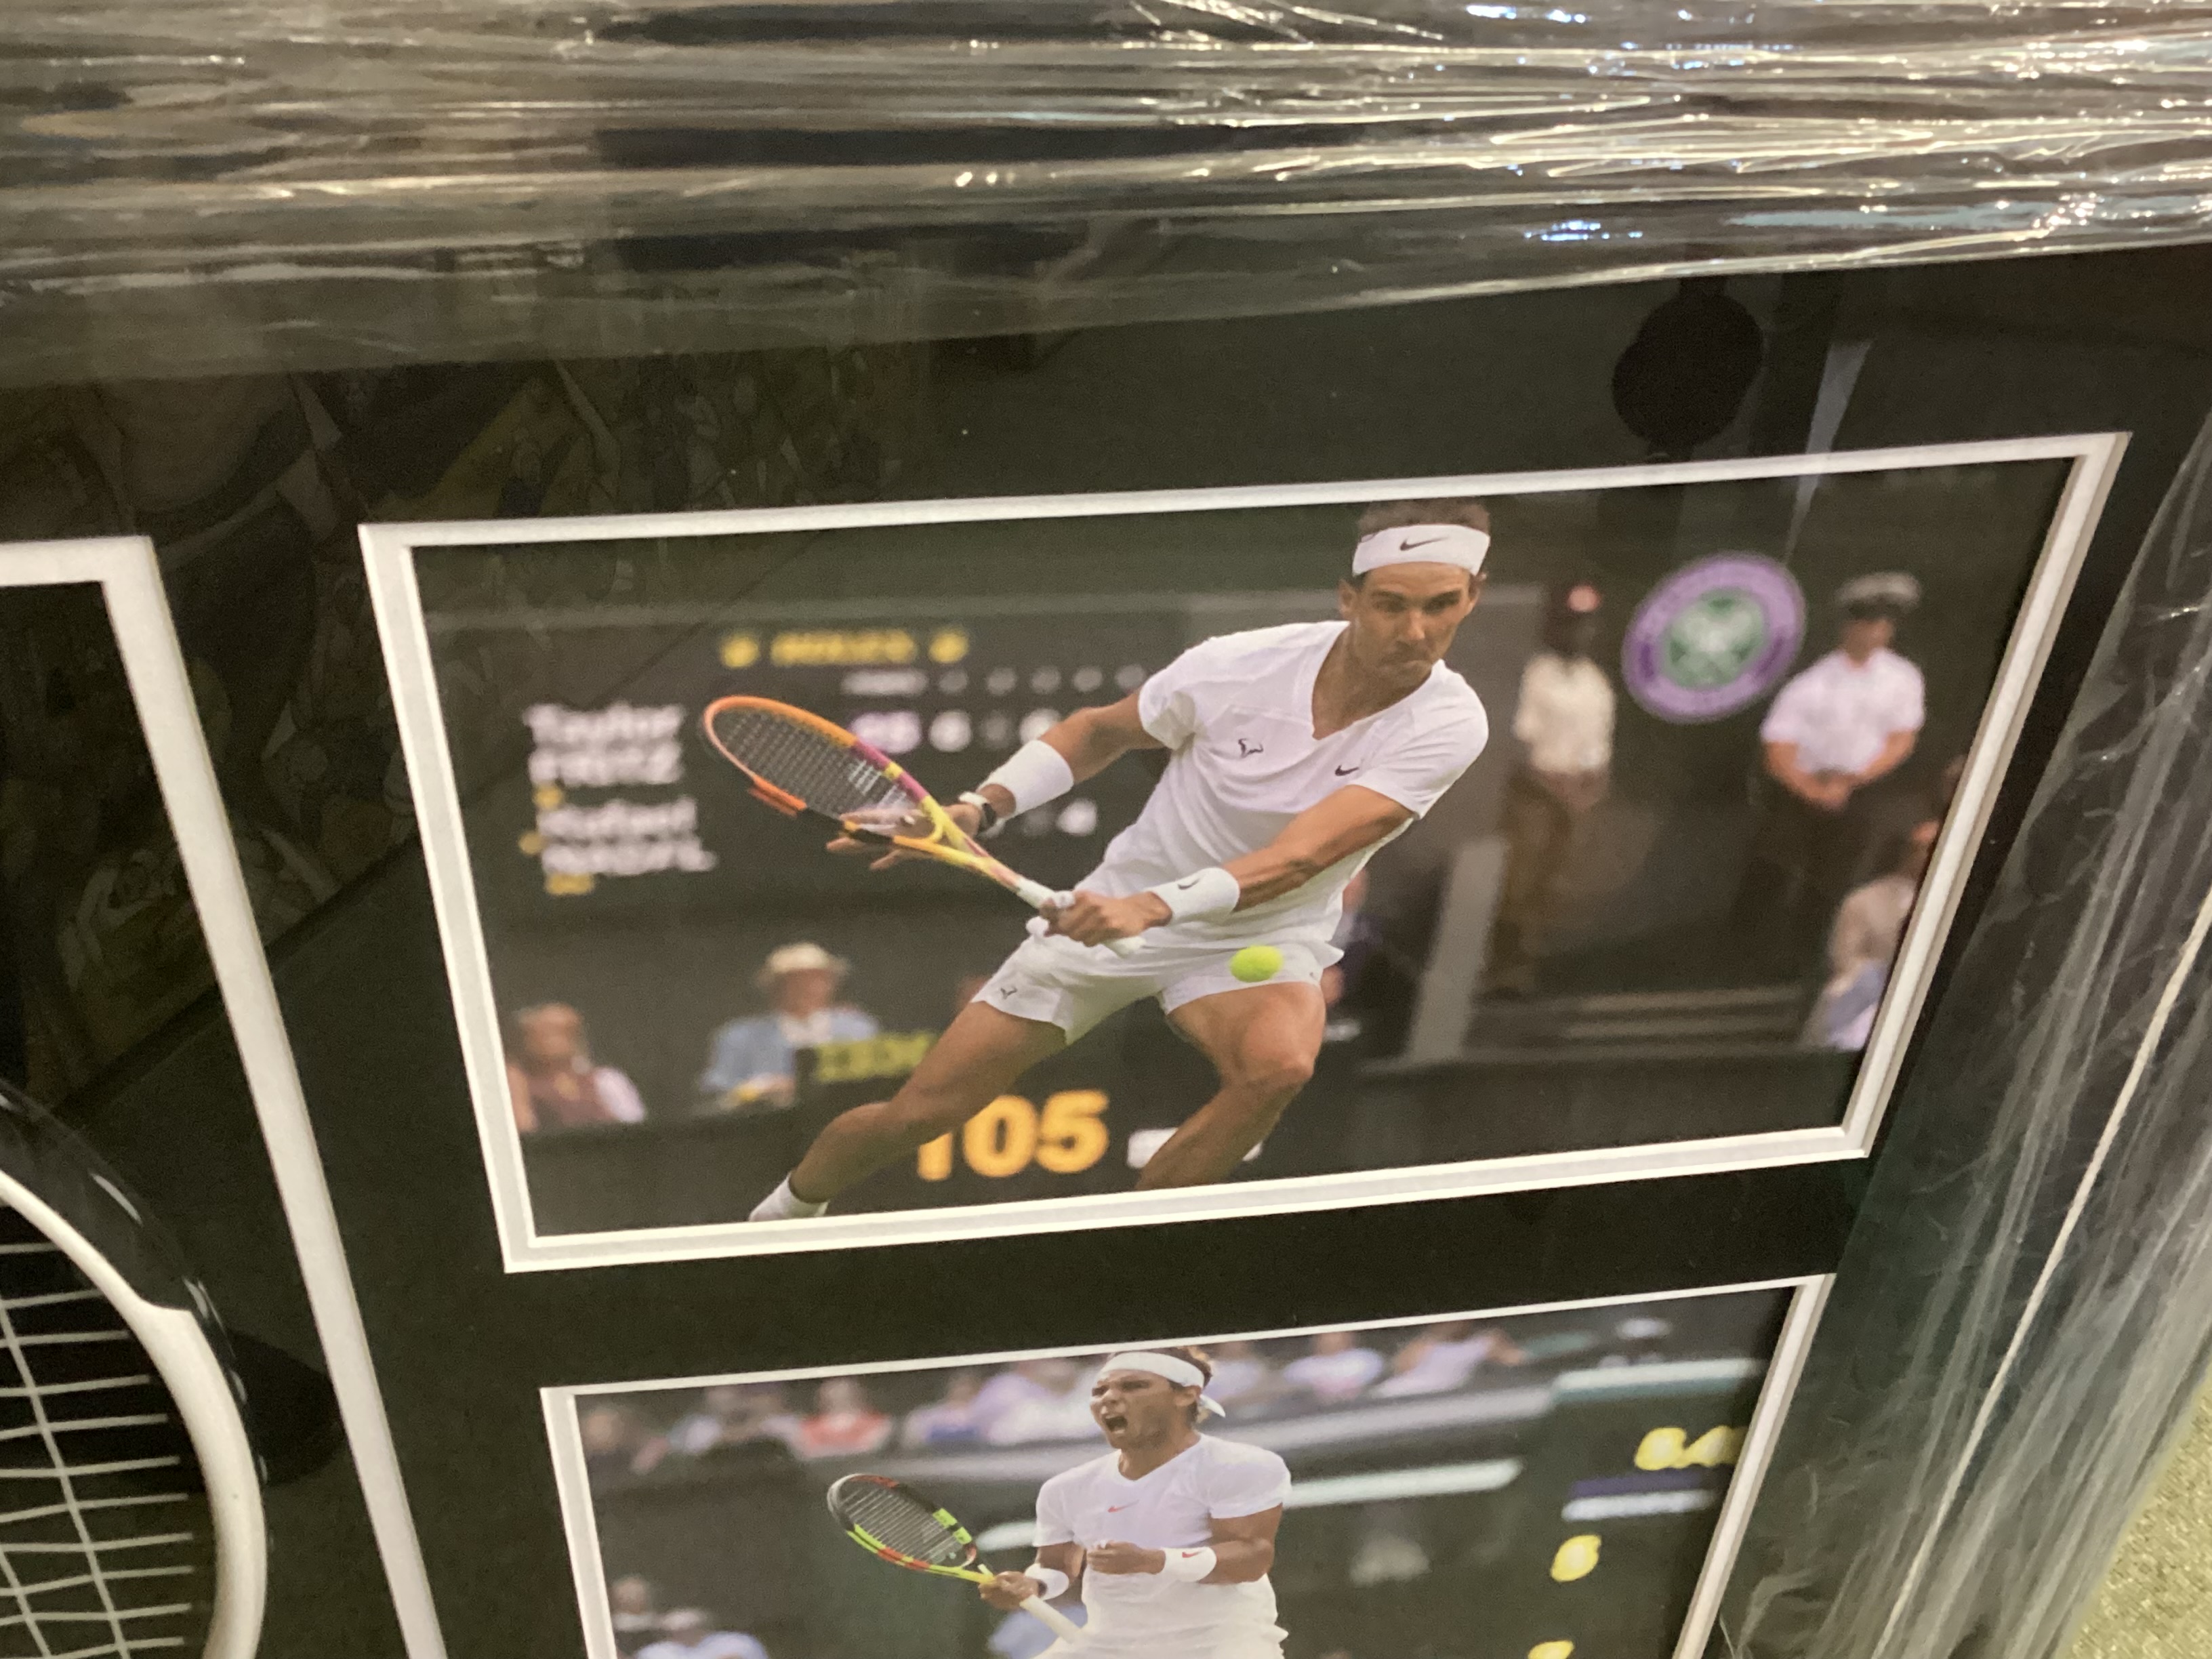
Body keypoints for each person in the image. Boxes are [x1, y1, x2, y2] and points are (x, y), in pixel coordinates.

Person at [750, 501, 1493, 1220]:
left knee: (1278, 1068)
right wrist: (979, 808)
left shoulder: (1450, 724)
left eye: (1441, 606)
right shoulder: (1235, 666)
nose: (1416, 630)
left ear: (1471, 598)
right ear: (1348, 598)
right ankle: (786, 1210)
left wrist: (1153, 908)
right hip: (1111, 912)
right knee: (918, 1114)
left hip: (1253, 933)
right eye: (1392, 605)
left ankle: (1134, 1255)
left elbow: (1300, 858)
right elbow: (1096, 732)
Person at [979, 1349, 1291, 1659]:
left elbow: (1251, 1558)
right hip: (1110, 1645)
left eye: (1133, 1386)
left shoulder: (1242, 1464)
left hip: (1222, 1643)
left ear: (1186, 1395)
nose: (1108, 1399)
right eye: (1099, 1391)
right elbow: (1056, 1567)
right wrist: (1032, 1584)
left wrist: (1153, 1561)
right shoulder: (1064, 1489)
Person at [1734, 573, 1926, 975]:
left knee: (1832, 880)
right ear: (1849, 626)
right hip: (1803, 788)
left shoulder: (1901, 678)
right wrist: (1812, 789)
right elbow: (1778, 749)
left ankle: (1808, 963)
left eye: (1883, 623)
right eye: (1867, 622)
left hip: (1860, 789)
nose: (1876, 631)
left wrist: (1851, 781)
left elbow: (1901, 739)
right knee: (1773, 868)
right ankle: (1743, 959)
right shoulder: (1813, 682)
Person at [1483, 581, 1614, 998]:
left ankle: (1528, 969)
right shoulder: (1538, 675)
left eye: (1588, 626)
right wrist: (1561, 793)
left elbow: (1599, 751)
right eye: (1574, 625)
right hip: (1536, 798)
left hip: (1576, 801)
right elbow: (1523, 745)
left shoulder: (1596, 684)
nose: (1581, 635)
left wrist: (1589, 794)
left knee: (1554, 886)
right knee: (1517, 886)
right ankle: (1498, 968)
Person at [1803, 817, 1940, 1051]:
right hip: (1870, 993)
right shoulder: (1864, 901)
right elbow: (1844, 959)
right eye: (1921, 849)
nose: (1927, 856)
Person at [697, 943, 878, 1113]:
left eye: (817, 979)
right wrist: (759, 1089)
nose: (808, 988)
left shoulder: (857, 1028)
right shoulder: (739, 1036)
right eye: (796, 981)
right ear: (774, 987)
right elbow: (715, 1097)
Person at [506, 1003, 646, 1132]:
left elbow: (635, 1129)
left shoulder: (606, 1080)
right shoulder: (518, 1081)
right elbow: (525, 1133)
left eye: (560, 1032)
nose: (552, 1041)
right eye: (543, 1033)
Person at [792, 1377, 893, 1458]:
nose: (839, 1395)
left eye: (844, 1393)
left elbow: (870, 1450)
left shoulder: (879, 1423)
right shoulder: (809, 1427)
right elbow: (810, 1452)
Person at [1280, 1332, 1386, 1404]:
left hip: (1360, 1406)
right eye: (1326, 1336)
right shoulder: (1300, 1367)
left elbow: (1371, 1384)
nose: (1331, 1340)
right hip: (1313, 1412)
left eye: (1335, 1335)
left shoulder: (1366, 1358)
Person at [635, 1608, 770, 1659]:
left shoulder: (739, 1643)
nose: (683, 1634)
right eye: (676, 1631)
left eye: (689, 1629)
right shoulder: (654, 1653)